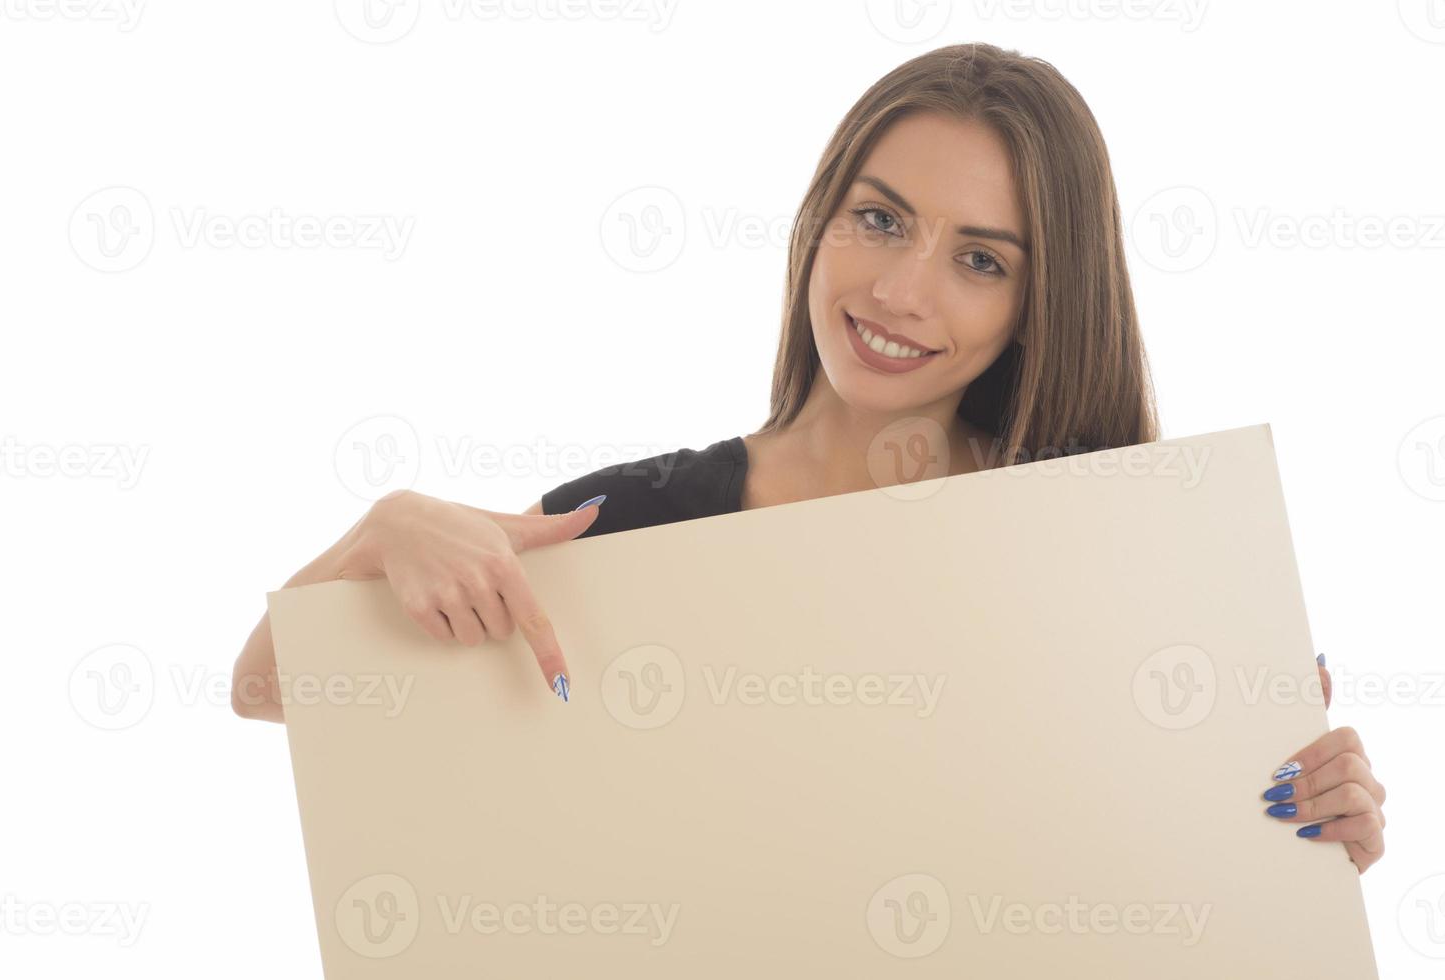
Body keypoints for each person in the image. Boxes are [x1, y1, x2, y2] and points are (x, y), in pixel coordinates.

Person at [230, 42, 1385, 873]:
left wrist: (1304, 832)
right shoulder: (631, 527)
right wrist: (387, 529)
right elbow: (269, 685)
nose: (897, 289)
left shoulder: (1110, 555)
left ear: (1041, 304)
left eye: (979, 259)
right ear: (819, 219)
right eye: (880, 219)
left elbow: (1182, 879)